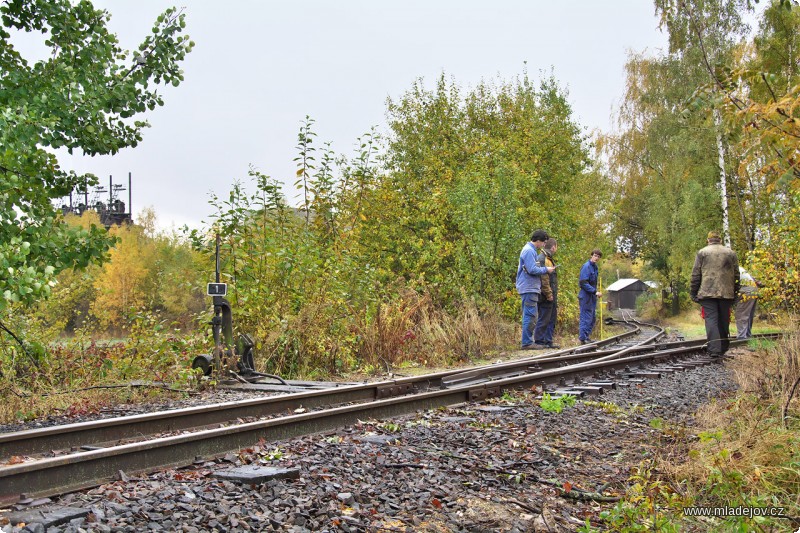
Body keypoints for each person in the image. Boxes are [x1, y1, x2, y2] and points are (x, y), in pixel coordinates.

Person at [690, 231, 740, 358]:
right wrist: (735, 291)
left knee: (711, 319)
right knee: (724, 319)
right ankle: (723, 347)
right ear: (720, 240)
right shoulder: (730, 253)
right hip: (726, 292)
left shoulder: (702, 252)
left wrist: (693, 291)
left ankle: (714, 349)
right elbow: (736, 275)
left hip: (707, 291)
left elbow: (696, 274)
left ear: (708, 240)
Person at [516, 229, 555, 350]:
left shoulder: (530, 250)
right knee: (530, 315)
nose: (544, 245)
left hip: (530, 287)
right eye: (543, 243)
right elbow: (532, 269)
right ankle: (527, 343)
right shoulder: (529, 251)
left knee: (532, 315)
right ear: (538, 241)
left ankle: (528, 341)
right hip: (529, 287)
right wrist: (546, 270)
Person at [534, 238, 559, 349]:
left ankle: (548, 341)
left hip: (550, 293)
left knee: (551, 318)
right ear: (553, 247)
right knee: (544, 318)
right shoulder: (543, 258)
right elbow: (544, 278)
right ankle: (540, 340)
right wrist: (549, 294)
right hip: (545, 295)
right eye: (556, 247)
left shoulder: (547, 258)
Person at [578, 249, 603, 344]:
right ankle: (583, 338)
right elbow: (583, 282)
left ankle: (586, 337)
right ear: (591, 255)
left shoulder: (595, 268)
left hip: (592, 296)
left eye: (598, 257)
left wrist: (595, 292)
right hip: (585, 296)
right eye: (595, 255)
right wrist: (595, 291)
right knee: (586, 317)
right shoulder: (586, 267)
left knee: (592, 318)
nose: (596, 258)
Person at [735, 266, 759, 339]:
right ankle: (747, 335)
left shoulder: (731, 269)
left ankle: (741, 337)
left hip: (746, 291)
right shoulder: (739, 268)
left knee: (741, 314)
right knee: (748, 315)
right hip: (753, 289)